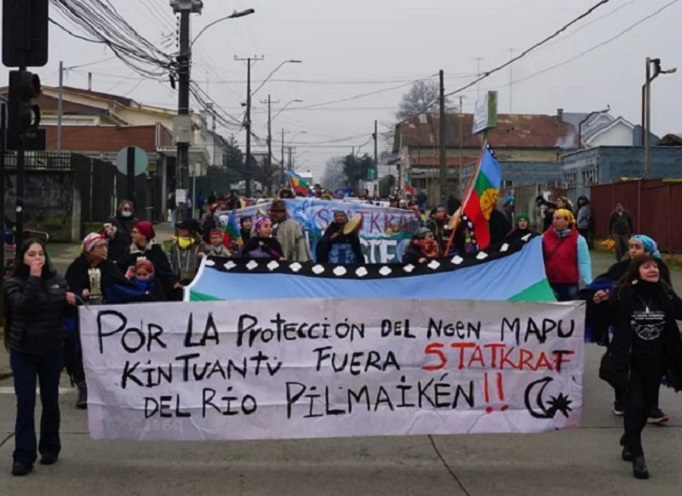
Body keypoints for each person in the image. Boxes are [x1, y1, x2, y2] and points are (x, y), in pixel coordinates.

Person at [599, 255, 682, 480]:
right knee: (634, 405)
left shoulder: (664, 293)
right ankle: (638, 456)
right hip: (629, 361)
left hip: (656, 361)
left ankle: (629, 438)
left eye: (655, 266)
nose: (652, 269)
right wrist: (601, 302)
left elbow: (679, 311)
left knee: (646, 408)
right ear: (637, 271)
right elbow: (607, 319)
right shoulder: (625, 294)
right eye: (646, 267)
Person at [4, 239, 76, 476]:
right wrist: (34, 278)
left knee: (50, 400)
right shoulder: (13, 283)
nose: (37, 258)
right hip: (24, 350)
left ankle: (50, 446)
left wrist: (71, 303)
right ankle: (23, 454)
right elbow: (22, 306)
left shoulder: (57, 280)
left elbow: (64, 313)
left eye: (40, 254)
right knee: (25, 403)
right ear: (22, 258)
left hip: (52, 348)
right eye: (31, 254)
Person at [589, 234, 671, 423]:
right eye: (631, 247)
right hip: (623, 324)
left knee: (652, 366)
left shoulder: (657, 269)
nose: (633, 251)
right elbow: (607, 287)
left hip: (651, 325)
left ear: (648, 251)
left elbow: (666, 295)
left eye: (638, 247)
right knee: (621, 363)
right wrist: (602, 297)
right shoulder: (620, 268)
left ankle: (651, 407)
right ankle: (621, 401)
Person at [64, 233, 143, 409]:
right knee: (76, 346)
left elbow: (122, 288)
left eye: (105, 246)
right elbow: (68, 289)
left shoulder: (109, 268)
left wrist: (144, 297)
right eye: (99, 247)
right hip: (80, 318)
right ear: (89, 250)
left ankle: (108, 388)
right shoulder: (77, 267)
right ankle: (83, 387)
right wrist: (78, 295)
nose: (104, 250)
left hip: (105, 318)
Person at [542, 208, 592, 301]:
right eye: (554, 218)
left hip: (569, 283)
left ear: (567, 221)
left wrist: (588, 282)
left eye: (558, 218)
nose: (554, 221)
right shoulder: (544, 237)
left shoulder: (579, 239)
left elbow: (584, 262)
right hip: (549, 282)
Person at [123, 221, 175, 300]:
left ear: (144, 235)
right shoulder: (129, 250)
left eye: (135, 232)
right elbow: (121, 268)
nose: (131, 235)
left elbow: (165, 272)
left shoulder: (156, 251)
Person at [169, 219, 205, 287]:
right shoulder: (174, 244)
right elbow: (169, 260)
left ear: (192, 231)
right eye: (180, 228)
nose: (180, 230)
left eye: (183, 229)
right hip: (175, 282)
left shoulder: (200, 245)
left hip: (194, 283)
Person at [104, 200, 138, 270]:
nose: (127, 211)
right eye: (125, 209)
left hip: (129, 251)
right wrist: (108, 233)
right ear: (120, 209)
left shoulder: (135, 221)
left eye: (130, 209)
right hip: (115, 251)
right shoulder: (112, 220)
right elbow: (104, 235)